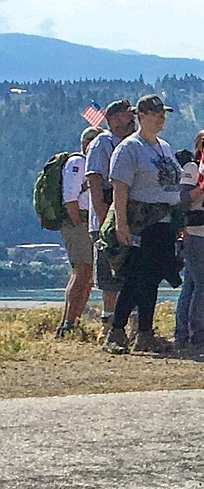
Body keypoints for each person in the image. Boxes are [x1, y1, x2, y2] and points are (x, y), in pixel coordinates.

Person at [101, 94, 183, 355]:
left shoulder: (164, 147)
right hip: (140, 222)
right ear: (141, 116)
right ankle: (117, 330)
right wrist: (121, 224)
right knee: (137, 277)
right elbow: (120, 189)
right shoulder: (129, 148)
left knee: (151, 279)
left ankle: (144, 333)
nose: (161, 118)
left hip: (163, 222)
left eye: (163, 114)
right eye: (156, 113)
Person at [85, 98, 137, 325]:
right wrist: (107, 221)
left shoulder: (134, 143)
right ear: (114, 119)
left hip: (129, 218)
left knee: (130, 272)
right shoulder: (102, 143)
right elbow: (95, 184)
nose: (132, 119)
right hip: (107, 217)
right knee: (109, 276)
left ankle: (132, 321)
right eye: (128, 115)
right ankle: (109, 323)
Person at [174, 130, 204, 350]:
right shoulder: (193, 169)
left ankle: (183, 332)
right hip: (193, 232)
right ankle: (197, 330)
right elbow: (182, 199)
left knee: (191, 284)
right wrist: (203, 188)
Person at [57, 126, 101, 336]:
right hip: (78, 221)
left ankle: (73, 321)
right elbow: (70, 198)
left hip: (86, 221)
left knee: (88, 274)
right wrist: (77, 223)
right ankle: (67, 322)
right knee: (81, 270)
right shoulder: (77, 163)